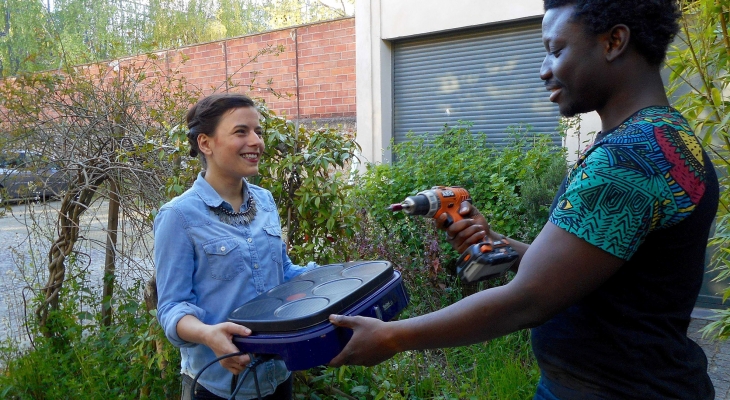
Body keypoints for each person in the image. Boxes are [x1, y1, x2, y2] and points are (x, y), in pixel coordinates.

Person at [328, 1, 719, 399]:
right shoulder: (665, 138)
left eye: (556, 50)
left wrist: (392, 336)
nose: (544, 70)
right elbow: (599, 269)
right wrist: (501, 246)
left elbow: (526, 301)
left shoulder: (629, 159)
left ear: (614, 41)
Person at [154, 93, 316, 400]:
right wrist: (208, 335)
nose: (256, 141)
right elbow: (173, 307)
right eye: (241, 132)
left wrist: (332, 279)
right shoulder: (178, 216)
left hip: (278, 376)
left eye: (258, 132)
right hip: (219, 385)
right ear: (206, 143)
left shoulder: (265, 201)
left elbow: (282, 273)